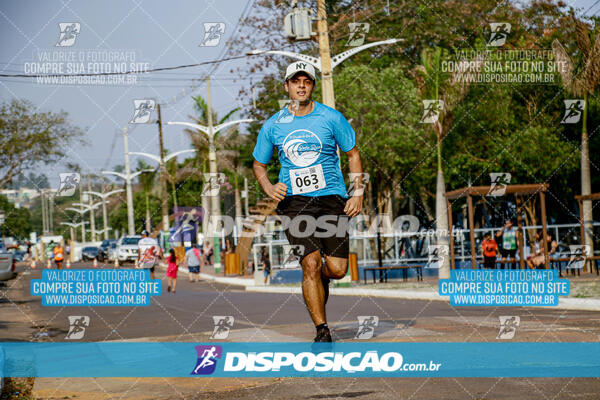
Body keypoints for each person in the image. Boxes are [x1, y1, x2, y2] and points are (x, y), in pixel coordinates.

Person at [252, 61, 363, 342]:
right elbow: (258, 164)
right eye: (295, 81)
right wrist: (268, 186)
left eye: (307, 81)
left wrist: (358, 192)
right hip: (295, 202)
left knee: (337, 270)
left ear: (312, 86)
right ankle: (322, 330)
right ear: (287, 86)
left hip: (331, 198)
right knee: (310, 263)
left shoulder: (332, 117)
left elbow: (353, 155)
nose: (301, 85)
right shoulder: (273, 125)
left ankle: (322, 279)